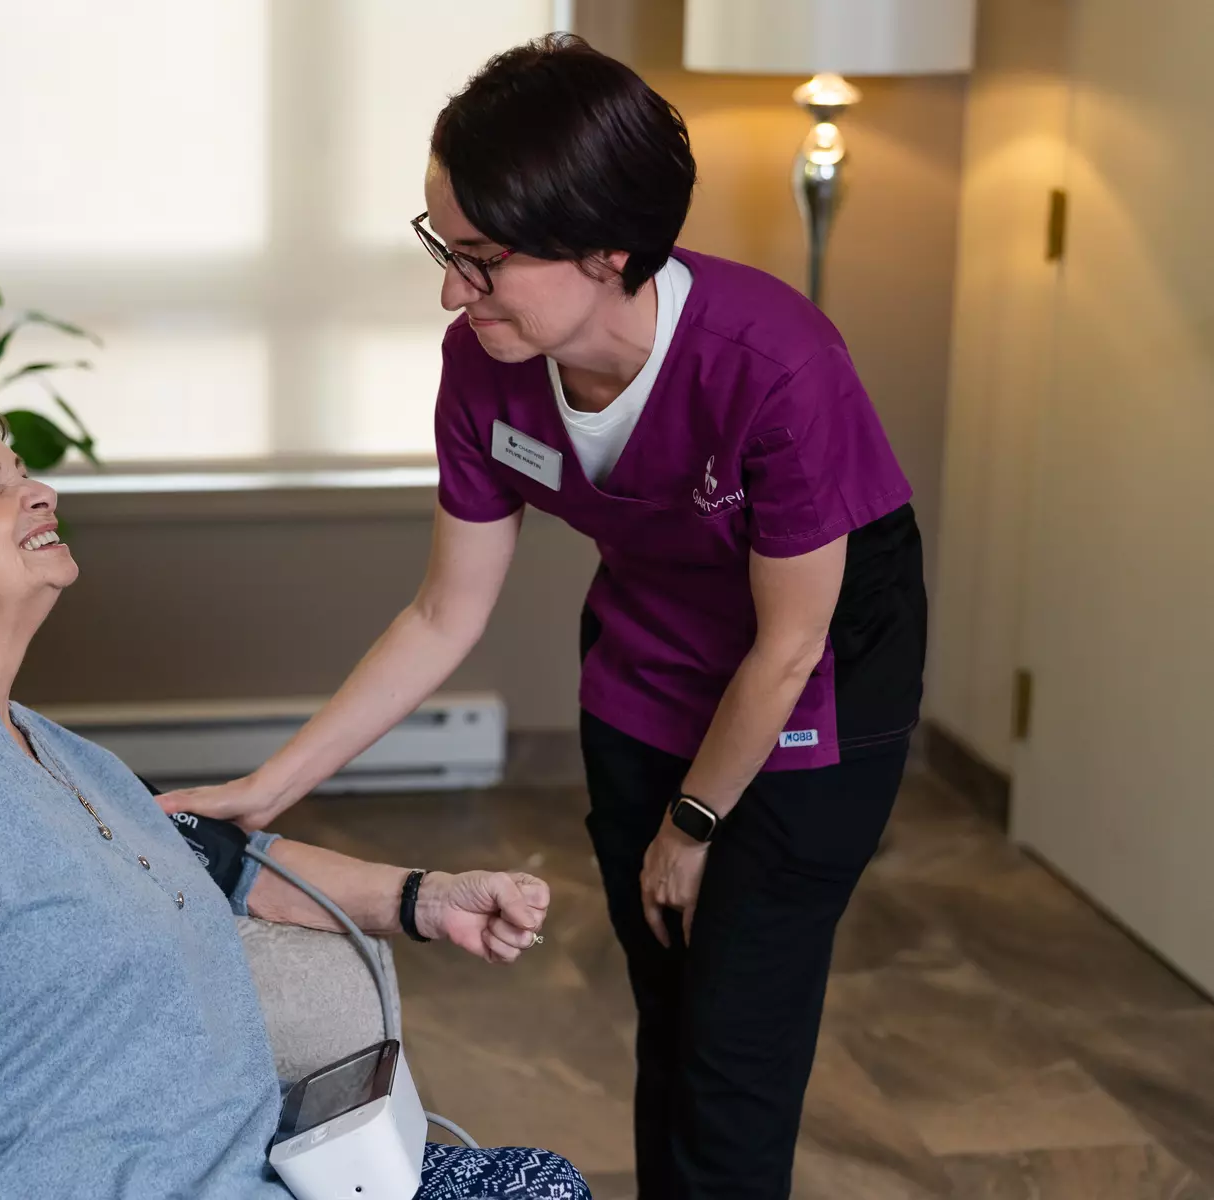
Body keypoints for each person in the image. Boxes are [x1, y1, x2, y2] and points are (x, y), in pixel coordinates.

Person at [159, 34, 927, 1200]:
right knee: (669, 1006)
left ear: (609, 245)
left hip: (812, 680)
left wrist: (694, 823)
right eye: (443, 248)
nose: (451, 291)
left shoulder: (773, 362)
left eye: (483, 260)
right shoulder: (486, 364)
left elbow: (789, 645)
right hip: (653, 654)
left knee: (736, 1047)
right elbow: (440, 613)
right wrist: (271, 788)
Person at [0, 371, 591, 1200]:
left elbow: (222, 864)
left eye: (23, 471)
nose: (41, 492)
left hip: (251, 1173)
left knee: (541, 1181)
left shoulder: (53, 748)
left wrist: (428, 897)